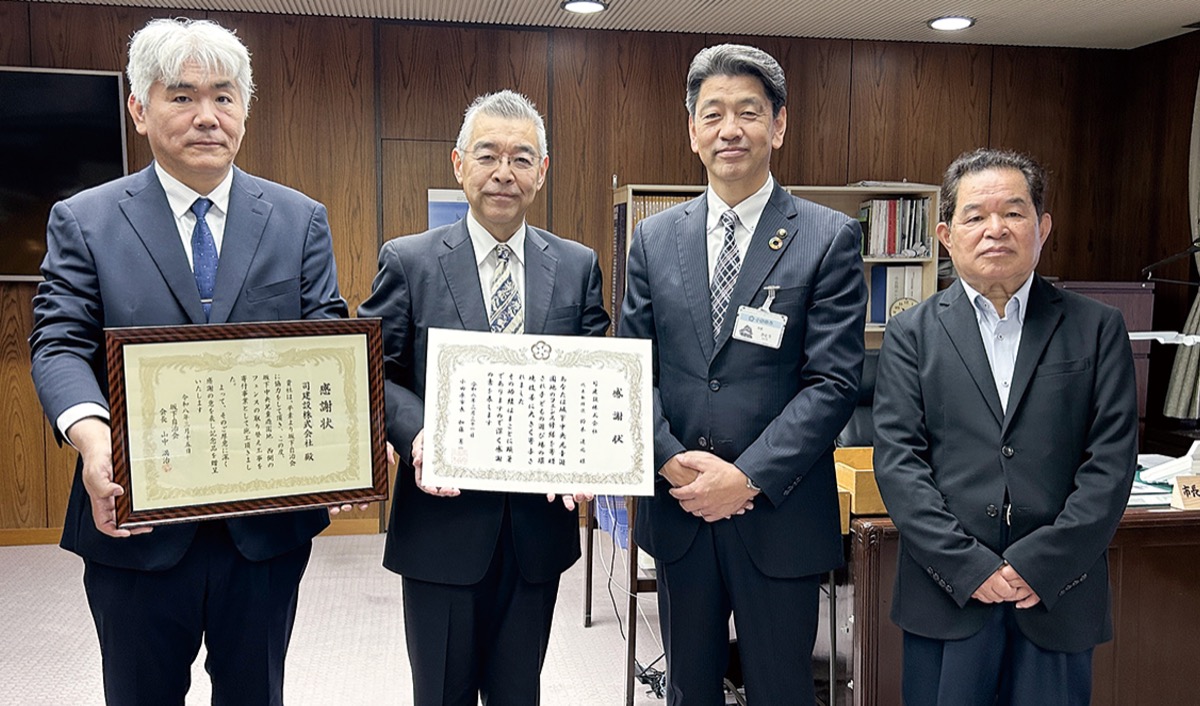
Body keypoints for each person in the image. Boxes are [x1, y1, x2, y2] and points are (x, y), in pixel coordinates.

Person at [28, 17, 348, 705]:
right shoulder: (84, 220)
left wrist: (346, 440)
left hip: (263, 531)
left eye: (224, 97)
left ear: (245, 108)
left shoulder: (299, 220)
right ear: (140, 109)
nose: (207, 116)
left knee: (256, 693)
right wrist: (93, 438)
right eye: (182, 96)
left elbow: (328, 335)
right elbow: (58, 342)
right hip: (136, 524)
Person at [618, 44, 867, 705]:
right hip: (680, 510)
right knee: (688, 690)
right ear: (693, 130)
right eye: (713, 113)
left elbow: (834, 381)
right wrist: (673, 463)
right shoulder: (652, 239)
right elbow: (631, 368)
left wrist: (747, 477)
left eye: (749, 112)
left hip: (778, 515)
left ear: (778, 126)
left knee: (784, 690)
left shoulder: (829, 237)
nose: (730, 128)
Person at [358, 89, 610, 705]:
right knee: (441, 692)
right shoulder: (409, 260)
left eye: (522, 158)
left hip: (536, 531)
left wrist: (593, 454)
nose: (504, 173)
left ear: (542, 171)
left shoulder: (577, 266)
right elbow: (374, 373)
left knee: (518, 691)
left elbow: (596, 379)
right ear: (458, 164)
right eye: (488, 155)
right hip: (441, 525)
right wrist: (421, 434)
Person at [872, 148, 1138, 705]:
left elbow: (1110, 464)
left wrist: (1038, 565)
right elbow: (900, 465)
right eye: (975, 216)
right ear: (946, 235)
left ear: (1042, 227)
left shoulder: (1098, 328)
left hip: (1057, 597)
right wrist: (969, 567)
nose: (995, 229)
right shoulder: (910, 335)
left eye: (1013, 213)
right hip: (948, 596)